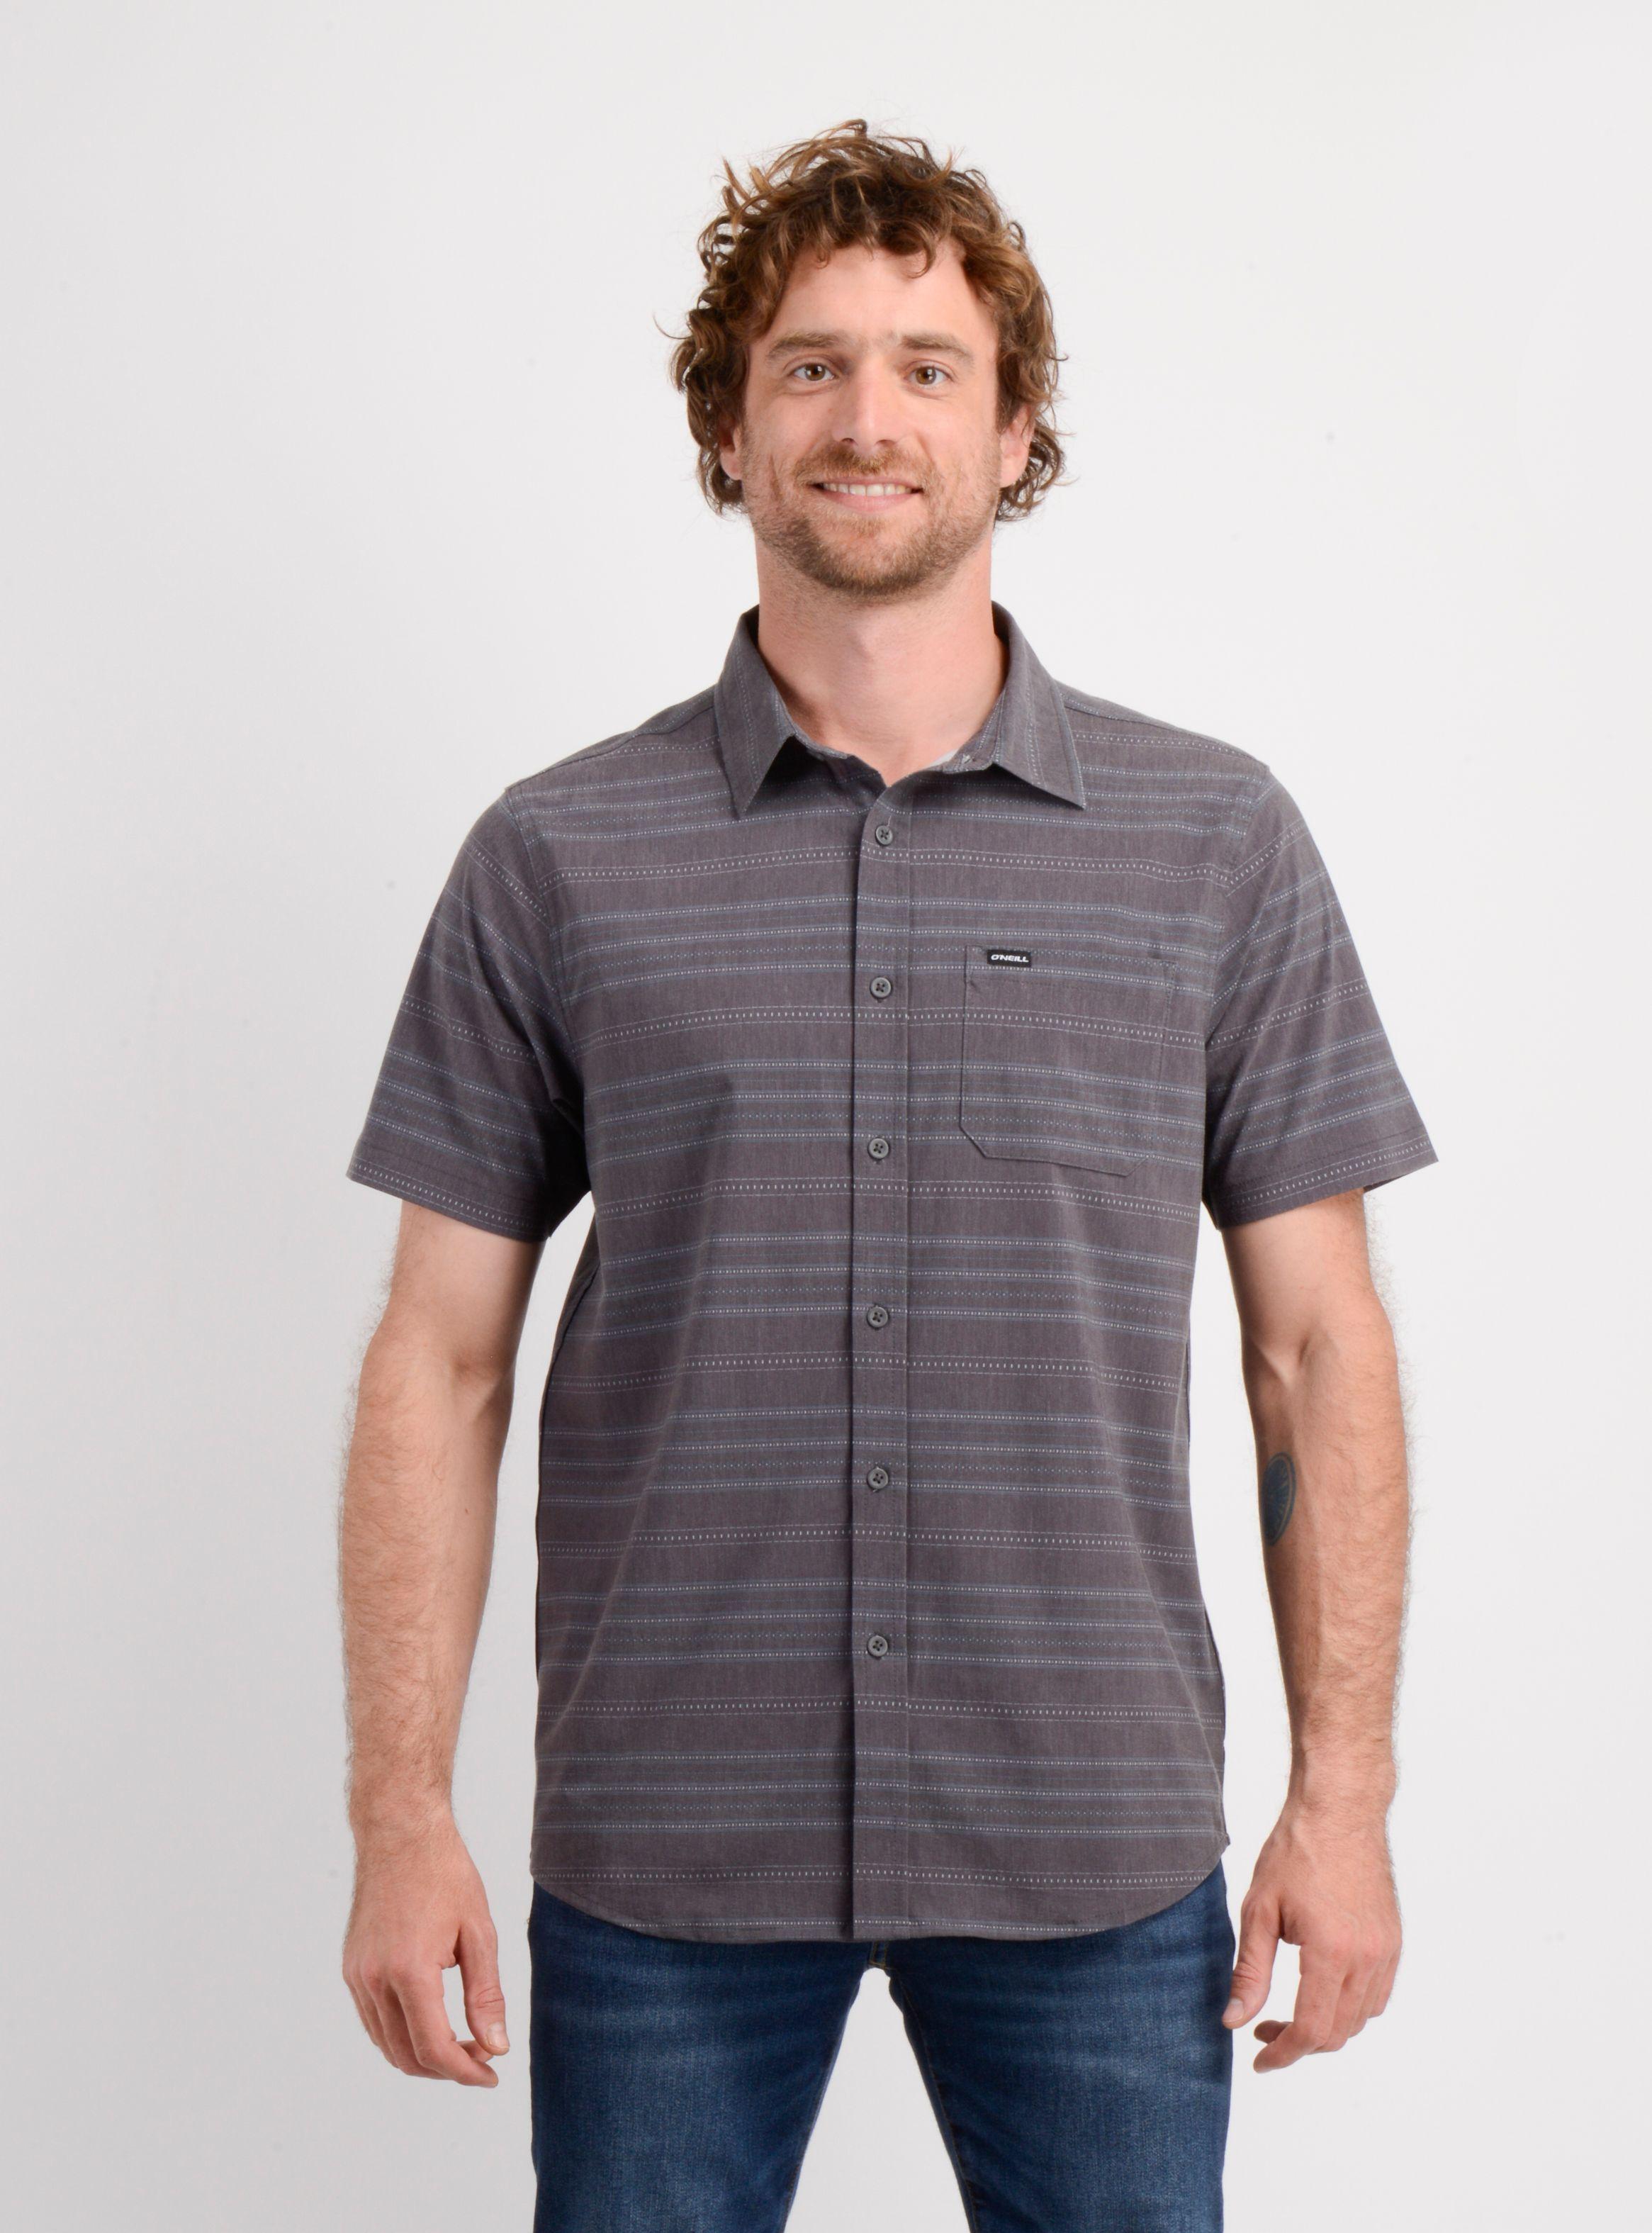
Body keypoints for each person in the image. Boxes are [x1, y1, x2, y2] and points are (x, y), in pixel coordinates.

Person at [337, 118, 1437, 2232]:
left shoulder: (1215, 844)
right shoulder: (556, 855)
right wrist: (400, 1815)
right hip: (667, 1844)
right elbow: (436, 1360)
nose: (869, 418)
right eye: (810, 365)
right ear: (727, 428)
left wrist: (1346, 1799)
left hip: (1088, 1834)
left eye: (930, 367)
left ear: (1012, 431)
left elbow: (1318, 1348)